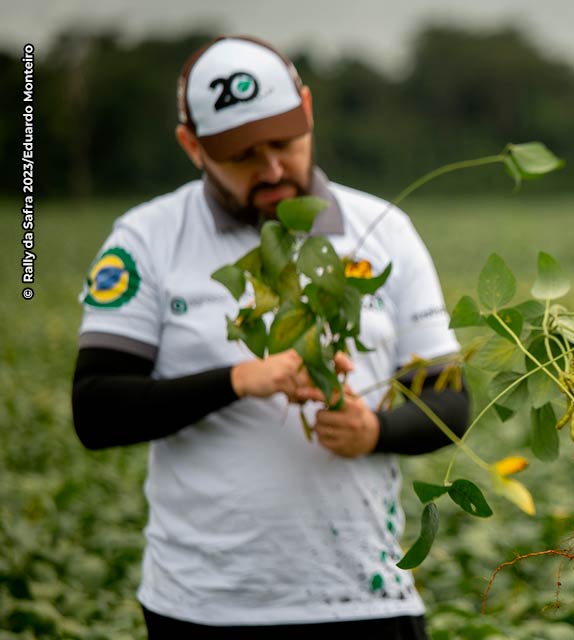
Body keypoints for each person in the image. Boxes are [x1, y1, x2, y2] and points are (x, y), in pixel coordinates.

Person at [71, 35, 468, 640]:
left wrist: (374, 432)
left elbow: (450, 402)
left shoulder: (386, 230)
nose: (273, 169)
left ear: (308, 110)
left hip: (366, 601)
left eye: (284, 142)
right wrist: (237, 379)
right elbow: (96, 408)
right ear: (191, 146)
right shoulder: (146, 238)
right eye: (242, 155)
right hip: (201, 608)